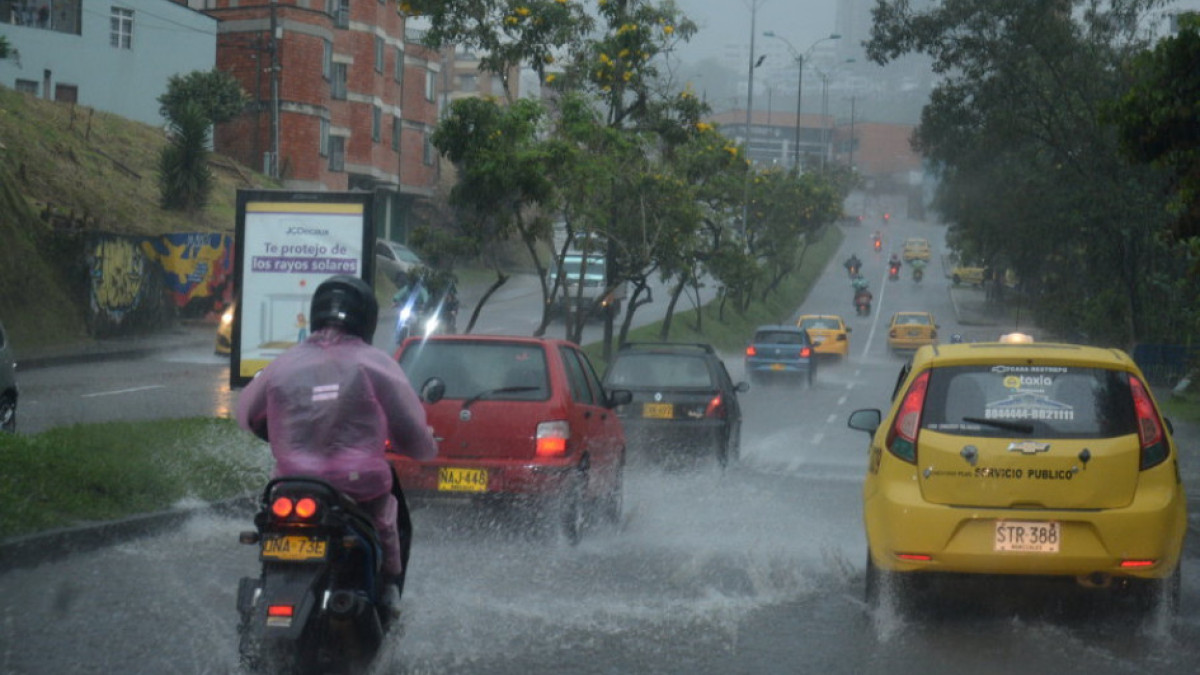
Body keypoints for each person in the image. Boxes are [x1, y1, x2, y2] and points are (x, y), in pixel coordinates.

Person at [236, 275, 437, 613]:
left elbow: (247, 415)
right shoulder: (374, 364)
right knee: (387, 519)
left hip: (290, 485)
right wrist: (423, 447)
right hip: (358, 485)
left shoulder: (283, 364)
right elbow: (412, 431)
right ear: (367, 318)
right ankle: (389, 587)